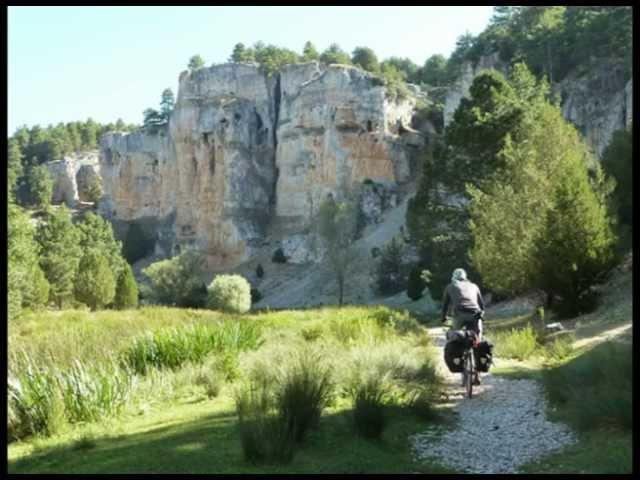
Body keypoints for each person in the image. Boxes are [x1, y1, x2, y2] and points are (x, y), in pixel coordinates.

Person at [441, 268, 485, 385]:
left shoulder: (450, 286)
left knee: (458, 338)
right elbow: (481, 305)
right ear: (465, 277)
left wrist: (443, 318)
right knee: (477, 341)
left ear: (454, 277)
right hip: (475, 315)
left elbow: (445, 305)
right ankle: (477, 374)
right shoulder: (474, 286)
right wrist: (481, 316)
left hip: (459, 316)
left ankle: (462, 368)